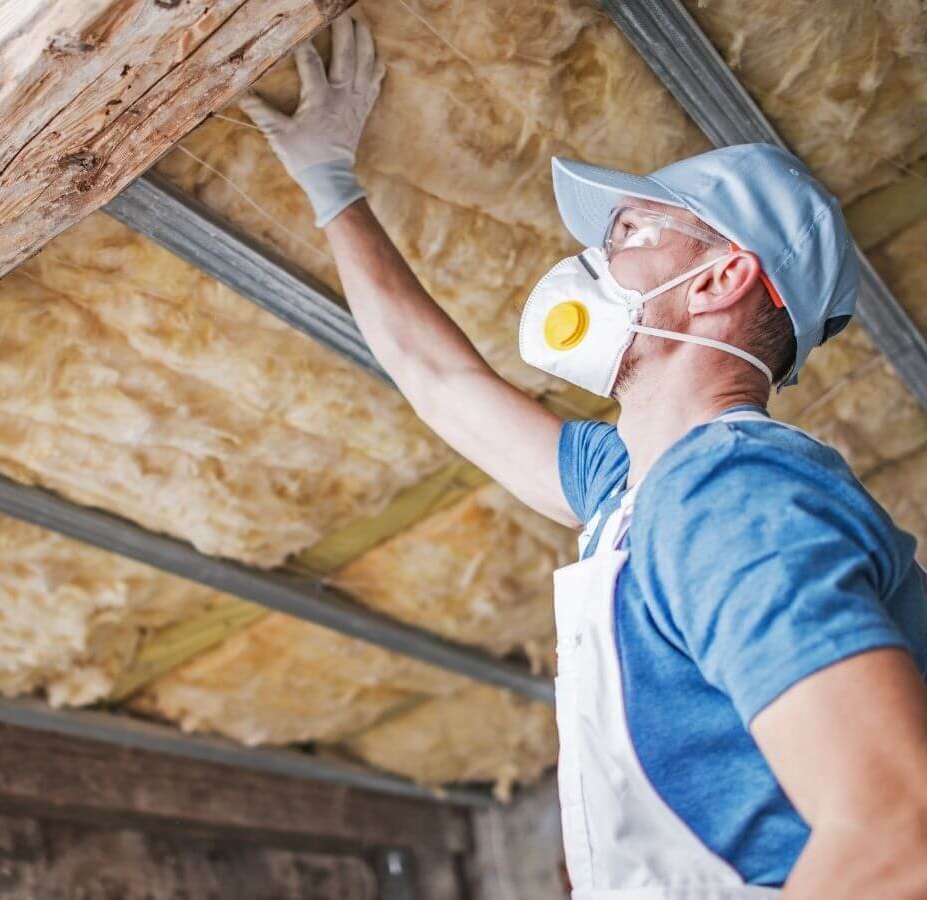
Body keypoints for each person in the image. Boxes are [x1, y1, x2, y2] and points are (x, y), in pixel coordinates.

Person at [239, 14, 927, 899]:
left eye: (633, 232)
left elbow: (899, 832)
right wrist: (331, 186)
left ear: (722, 280)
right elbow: (440, 381)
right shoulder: (634, 495)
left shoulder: (729, 493)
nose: (593, 257)